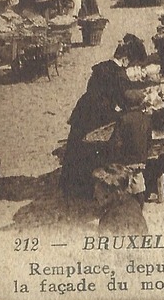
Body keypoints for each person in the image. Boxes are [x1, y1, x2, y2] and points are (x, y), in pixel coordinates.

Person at [60, 35, 146, 200]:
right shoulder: (118, 74)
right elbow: (123, 98)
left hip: (84, 110)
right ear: (126, 59)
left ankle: (70, 185)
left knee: (76, 146)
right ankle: (86, 188)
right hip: (97, 115)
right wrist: (142, 98)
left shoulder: (103, 67)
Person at [93, 165, 149, 235]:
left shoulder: (111, 219)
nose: (94, 196)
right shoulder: (133, 204)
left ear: (114, 192)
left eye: (99, 192)